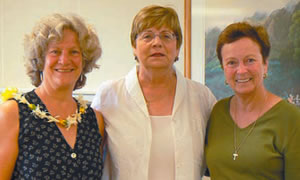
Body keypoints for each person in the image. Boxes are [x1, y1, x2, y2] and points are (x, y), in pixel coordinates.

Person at [91, 5, 216, 180]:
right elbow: (88, 160)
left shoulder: (202, 97)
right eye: (147, 36)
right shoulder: (109, 95)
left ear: (177, 47)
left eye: (166, 36)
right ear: (134, 46)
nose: (157, 43)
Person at [0, 13, 104, 179]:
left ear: (85, 60)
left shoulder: (94, 120)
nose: (64, 60)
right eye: (55, 51)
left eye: (74, 52)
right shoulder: (13, 114)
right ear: (40, 59)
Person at [205, 22, 300, 179]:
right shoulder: (218, 112)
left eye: (250, 60)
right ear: (223, 69)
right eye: (232, 62)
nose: (241, 70)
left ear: (265, 65)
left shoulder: (291, 118)